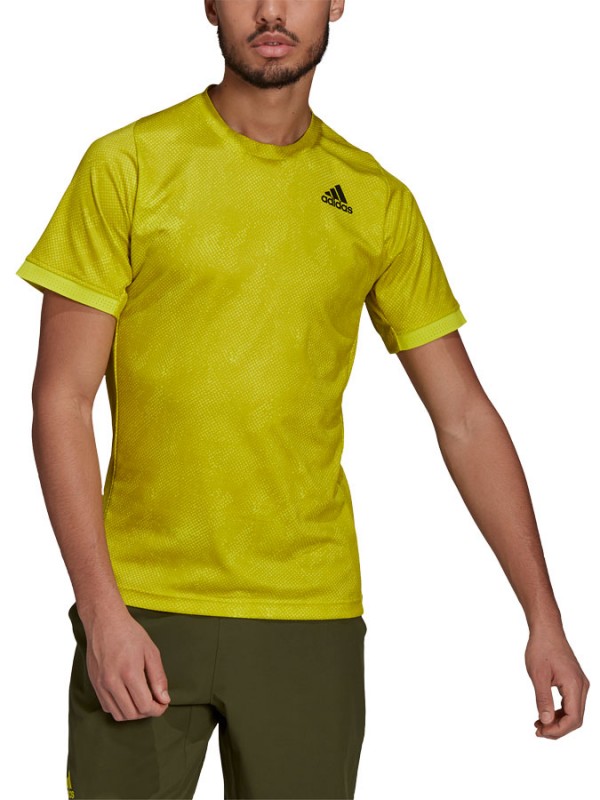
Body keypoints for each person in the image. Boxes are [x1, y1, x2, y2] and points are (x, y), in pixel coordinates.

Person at [16, 1, 589, 798]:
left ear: (337, 4)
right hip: (142, 604)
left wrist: (543, 617)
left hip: (309, 617)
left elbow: (463, 417)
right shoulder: (128, 165)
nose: (272, 11)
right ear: (209, 4)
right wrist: (102, 611)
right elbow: (61, 401)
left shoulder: (375, 200)